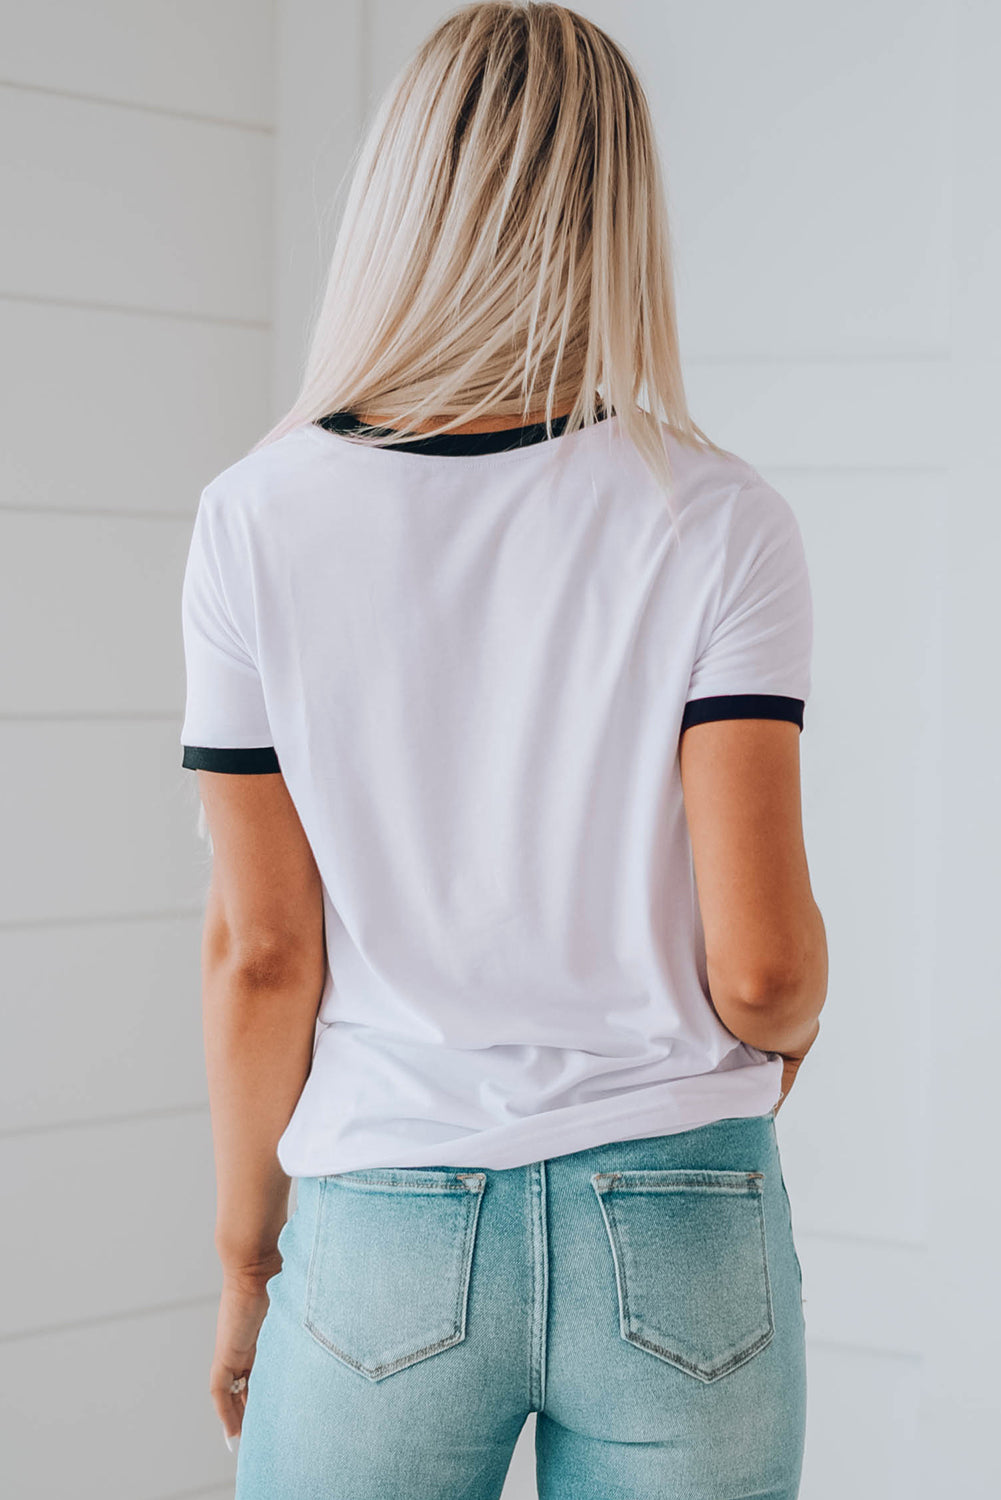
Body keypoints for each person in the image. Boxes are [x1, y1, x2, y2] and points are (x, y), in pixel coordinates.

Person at [179, 4, 827, 1496]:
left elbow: (263, 954)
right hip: (679, 1215)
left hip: (380, 1225)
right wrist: (792, 1024)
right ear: (618, 214)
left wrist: (243, 1259)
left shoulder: (256, 518)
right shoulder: (717, 518)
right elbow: (765, 972)